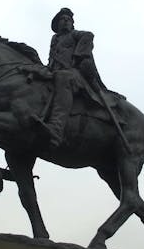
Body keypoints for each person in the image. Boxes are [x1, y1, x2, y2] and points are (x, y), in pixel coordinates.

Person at [40, 8, 112, 147]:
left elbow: (89, 35)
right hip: (54, 71)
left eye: (69, 20)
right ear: (57, 25)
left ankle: (56, 128)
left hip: (74, 73)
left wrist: (78, 56)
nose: (66, 21)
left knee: (64, 78)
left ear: (72, 24)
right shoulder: (55, 39)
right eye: (63, 19)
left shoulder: (75, 34)